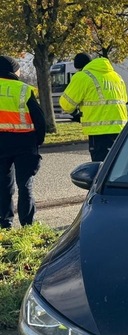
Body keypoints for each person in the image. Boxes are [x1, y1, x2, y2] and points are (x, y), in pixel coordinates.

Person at [0, 56, 46, 229]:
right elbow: (39, 120)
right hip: (24, 142)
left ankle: (5, 224)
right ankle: (27, 225)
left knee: (3, 186)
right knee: (25, 185)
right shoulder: (24, 90)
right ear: (13, 70)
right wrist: (38, 141)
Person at [59, 53, 127, 161]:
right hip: (120, 129)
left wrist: (76, 114)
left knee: (100, 167)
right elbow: (124, 100)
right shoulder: (116, 76)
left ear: (78, 67)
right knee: (117, 164)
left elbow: (66, 104)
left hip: (98, 131)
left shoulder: (82, 76)